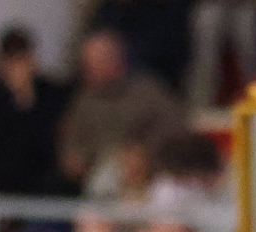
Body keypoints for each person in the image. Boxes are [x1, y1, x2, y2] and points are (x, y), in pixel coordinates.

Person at [60, 29, 187, 197]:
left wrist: (143, 156)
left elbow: (177, 135)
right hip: (98, 180)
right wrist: (79, 161)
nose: (88, 72)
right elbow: (73, 152)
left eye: (95, 64)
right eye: (86, 65)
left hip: (149, 180)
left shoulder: (149, 94)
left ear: (115, 61)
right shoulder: (84, 102)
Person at [0, 25, 73, 196]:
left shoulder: (50, 93)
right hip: (1, 183)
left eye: (23, 59)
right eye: (13, 60)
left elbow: (51, 138)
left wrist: (27, 98)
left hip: (44, 183)